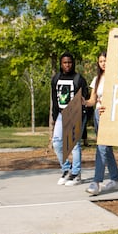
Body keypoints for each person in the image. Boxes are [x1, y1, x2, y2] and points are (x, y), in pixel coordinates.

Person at [84, 52, 118, 195]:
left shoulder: (116, 79)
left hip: (109, 116)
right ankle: (115, 180)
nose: (103, 63)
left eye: (105, 60)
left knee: (101, 147)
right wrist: (85, 102)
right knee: (107, 148)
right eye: (101, 61)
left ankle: (96, 182)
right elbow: (93, 99)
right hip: (98, 115)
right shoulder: (97, 79)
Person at [51, 52, 88, 186]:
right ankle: (66, 169)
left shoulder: (79, 79)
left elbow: (85, 99)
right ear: (61, 64)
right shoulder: (56, 79)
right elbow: (54, 99)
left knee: (74, 144)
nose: (67, 65)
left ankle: (76, 173)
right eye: (65, 63)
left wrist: (82, 117)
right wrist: (55, 117)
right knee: (57, 142)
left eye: (70, 62)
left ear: (73, 63)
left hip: (75, 114)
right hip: (61, 114)